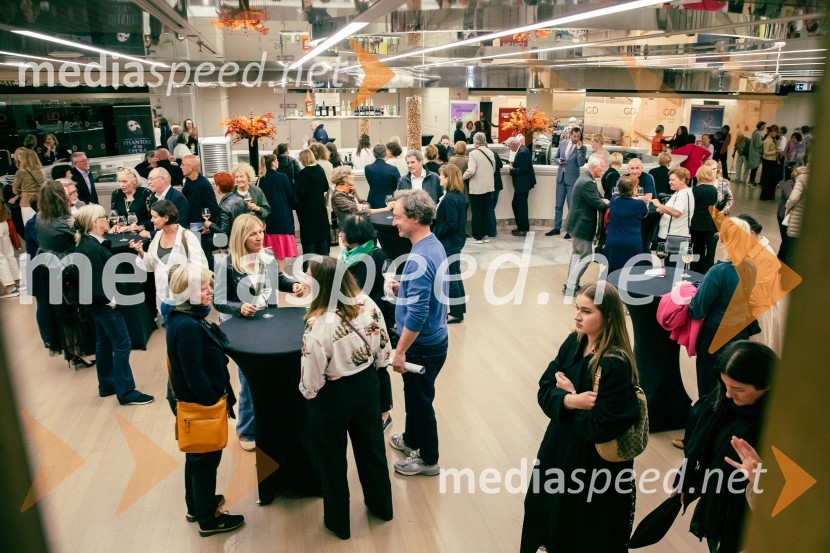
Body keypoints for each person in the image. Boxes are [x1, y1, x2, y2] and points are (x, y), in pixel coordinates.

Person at [521, 282, 642, 553]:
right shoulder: (574, 341)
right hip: (559, 452)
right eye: (577, 308)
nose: (577, 316)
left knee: (584, 531)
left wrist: (564, 402)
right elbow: (544, 388)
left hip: (594, 467)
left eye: (586, 311)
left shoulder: (615, 363)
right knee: (545, 514)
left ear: (608, 316)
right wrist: (571, 400)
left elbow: (601, 426)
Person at [299, 256, 393, 540]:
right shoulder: (368, 303)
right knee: (373, 451)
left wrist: (310, 392)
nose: (304, 278)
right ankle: (382, 507)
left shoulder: (316, 325)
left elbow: (311, 381)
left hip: (332, 398)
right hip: (367, 386)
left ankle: (339, 523)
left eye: (308, 275)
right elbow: (383, 349)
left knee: (332, 461)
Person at [163, 264, 245, 537]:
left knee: (196, 458)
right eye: (203, 287)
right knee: (205, 463)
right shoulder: (187, 325)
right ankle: (208, 520)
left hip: (191, 402)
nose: (210, 291)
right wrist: (212, 401)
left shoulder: (183, 316)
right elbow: (194, 374)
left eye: (209, 285)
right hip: (200, 405)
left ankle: (196, 506)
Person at [672, 340, 775, 553]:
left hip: (749, 520)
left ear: (767, 384)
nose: (728, 394)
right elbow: (701, 447)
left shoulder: (779, 425)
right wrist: (687, 479)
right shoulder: (720, 403)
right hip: (720, 504)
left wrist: (760, 477)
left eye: (738, 389)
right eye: (725, 384)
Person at [214, 214, 304, 451]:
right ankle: (247, 430)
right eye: (252, 234)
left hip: (267, 322)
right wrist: (239, 307)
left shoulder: (268, 256)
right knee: (249, 379)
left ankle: (272, 422)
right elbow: (219, 301)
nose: (259, 237)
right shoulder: (225, 263)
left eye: (261, 232)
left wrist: (293, 284)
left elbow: (280, 280)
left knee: (273, 374)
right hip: (242, 328)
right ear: (240, 236)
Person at [387, 190, 449, 476]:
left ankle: (428, 459)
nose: (393, 222)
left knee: (420, 403)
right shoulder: (432, 245)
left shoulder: (419, 258)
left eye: (398, 217)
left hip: (421, 346)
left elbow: (418, 314)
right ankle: (412, 440)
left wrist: (400, 351)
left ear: (414, 218)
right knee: (414, 396)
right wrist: (405, 287)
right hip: (434, 339)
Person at [73, 204, 154, 405]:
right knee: (122, 344)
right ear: (94, 223)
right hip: (104, 304)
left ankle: (107, 385)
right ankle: (126, 393)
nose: (107, 219)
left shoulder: (90, 243)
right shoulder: (91, 248)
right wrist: (111, 301)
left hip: (98, 304)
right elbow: (94, 281)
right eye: (103, 216)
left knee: (104, 342)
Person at [337, 214, 396, 429]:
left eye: (343, 231)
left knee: (379, 366)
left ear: (355, 234)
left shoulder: (375, 256)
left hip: (372, 321)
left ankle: (384, 413)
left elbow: (369, 292)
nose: (340, 234)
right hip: (353, 319)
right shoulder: (348, 254)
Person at [689, 217, 756, 397]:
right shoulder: (752, 267)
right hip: (740, 332)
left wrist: (693, 294)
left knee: (709, 387)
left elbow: (697, 310)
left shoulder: (718, 272)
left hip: (714, 335)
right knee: (731, 385)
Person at [131, 200, 208, 307]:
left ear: (166, 217)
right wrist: (140, 251)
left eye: (154, 217)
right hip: (162, 297)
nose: (151, 220)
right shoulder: (158, 236)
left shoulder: (187, 237)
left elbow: (201, 267)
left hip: (184, 298)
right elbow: (152, 265)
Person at [737, 213, 784, 356]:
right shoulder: (754, 248)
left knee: (755, 350)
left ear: (751, 232)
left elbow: (758, 292)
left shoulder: (764, 255)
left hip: (759, 312)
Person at [563, 154, 609, 295]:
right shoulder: (588, 182)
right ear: (594, 167)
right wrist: (610, 203)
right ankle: (571, 286)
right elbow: (599, 204)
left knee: (577, 255)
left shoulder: (586, 178)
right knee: (587, 256)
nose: (604, 169)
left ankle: (571, 285)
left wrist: (604, 200)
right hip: (581, 225)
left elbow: (598, 197)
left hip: (577, 223)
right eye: (602, 167)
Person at [435, 165, 467, 323]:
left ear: (448, 178)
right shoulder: (459, 196)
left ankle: (455, 313)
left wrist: (438, 234)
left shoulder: (449, 199)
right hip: (456, 241)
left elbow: (451, 223)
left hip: (449, 242)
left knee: (451, 278)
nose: (439, 178)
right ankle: (459, 310)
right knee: (455, 275)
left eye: (442, 175)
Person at [258, 154, 297, 271]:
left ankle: (271, 272)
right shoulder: (283, 177)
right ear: (273, 163)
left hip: (267, 217)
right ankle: (281, 272)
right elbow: (290, 196)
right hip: (283, 215)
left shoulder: (261, 179)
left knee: (268, 248)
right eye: (276, 160)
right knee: (281, 250)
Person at [652, 167, 695, 267]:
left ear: (682, 180)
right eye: (669, 179)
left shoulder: (682, 194)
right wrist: (663, 209)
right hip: (674, 236)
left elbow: (676, 212)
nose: (669, 182)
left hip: (675, 238)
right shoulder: (681, 192)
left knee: (673, 268)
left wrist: (659, 205)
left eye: (673, 180)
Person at [547, 127, 586, 237]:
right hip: (560, 178)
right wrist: (558, 161)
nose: (576, 138)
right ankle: (557, 228)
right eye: (574, 136)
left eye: (578, 136)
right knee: (558, 205)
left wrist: (579, 149)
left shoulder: (583, 148)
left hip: (572, 180)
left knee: (571, 206)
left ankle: (570, 230)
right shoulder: (562, 144)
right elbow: (555, 157)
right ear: (570, 135)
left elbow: (581, 163)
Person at [181, 155, 220, 265]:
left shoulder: (203, 184)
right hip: (191, 227)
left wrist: (209, 226)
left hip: (201, 230)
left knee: (205, 258)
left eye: (182, 164)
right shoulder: (188, 181)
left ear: (190, 168)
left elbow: (213, 207)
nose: (180, 167)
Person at [605, 176, 648, 272]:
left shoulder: (614, 199)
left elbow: (617, 195)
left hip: (613, 241)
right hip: (632, 242)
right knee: (632, 272)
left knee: (612, 272)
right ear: (633, 189)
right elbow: (644, 215)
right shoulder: (640, 204)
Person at [295, 148, 331, 255]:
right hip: (320, 207)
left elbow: (300, 194)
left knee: (309, 239)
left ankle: (309, 263)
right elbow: (326, 187)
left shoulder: (302, 174)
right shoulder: (320, 170)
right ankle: (323, 261)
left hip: (307, 210)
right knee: (322, 237)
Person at [463, 133, 496, 243]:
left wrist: (462, 176)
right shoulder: (490, 152)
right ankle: (484, 235)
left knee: (476, 212)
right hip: (489, 186)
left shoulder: (473, 153)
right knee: (485, 211)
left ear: (475, 142)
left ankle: (477, 236)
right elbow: (494, 169)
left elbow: (471, 170)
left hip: (477, 188)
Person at [690, 164, 719, 273]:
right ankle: (700, 269)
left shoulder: (695, 190)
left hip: (695, 221)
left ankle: (693, 268)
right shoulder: (714, 190)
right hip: (707, 222)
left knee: (693, 247)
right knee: (701, 247)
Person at [202, 172, 246, 245]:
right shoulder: (240, 200)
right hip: (241, 239)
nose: (214, 186)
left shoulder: (223, 207)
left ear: (218, 187)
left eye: (215, 184)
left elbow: (223, 231)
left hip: (230, 243)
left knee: (204, 243)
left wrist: (209, 225)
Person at [507, 136, 536, 236]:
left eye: (510, 147)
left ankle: (523, 228)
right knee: (518, 204)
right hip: (523, 184)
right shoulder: (523, 150)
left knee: (520, 206)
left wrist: (511, 170)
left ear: (514, 144)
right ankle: (521, 227)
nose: (511, 149)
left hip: (522, 184)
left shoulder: (522, 152)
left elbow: (523, 169)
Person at [111, 167, 153, 232]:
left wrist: (138, 227)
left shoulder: (145, 193)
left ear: (135, 181)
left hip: (141, 232)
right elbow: (113, 216)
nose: (121, 185)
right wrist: (115, 225)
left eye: (125, 181)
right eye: (119, 181)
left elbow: (153, 219)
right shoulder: (116, 194)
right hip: (121, 232)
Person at [12, 148, 45, 225]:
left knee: (29, 225)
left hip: (27, 203)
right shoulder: (41, 171)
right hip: (41, 201)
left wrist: (21, 191)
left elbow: (14, 190)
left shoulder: (21, 172)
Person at [364, 144, 401, 209]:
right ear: (386, 153)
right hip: (388, 200)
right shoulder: (392, 169)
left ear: (374, 154)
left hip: (373, 199)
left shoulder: (367, 168)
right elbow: (399, 185)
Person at [783, 165, 808, 262]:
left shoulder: (802, 178)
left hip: (797, 220)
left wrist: (787, 207)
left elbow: (793, 198)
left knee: (791, 252)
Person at [776, 167, 798, 262]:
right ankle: (780, 261)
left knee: (787, 241)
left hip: (791, 216)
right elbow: (790, 197)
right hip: (783, 215)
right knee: (786, 241)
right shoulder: (789, 184)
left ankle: (781, 260)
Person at [0, 201, 21, 298]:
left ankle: (10, 287)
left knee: (1, 258)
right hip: (4, 222)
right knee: (9, 255)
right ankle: (17, 282)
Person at [759, 124, 779, 201]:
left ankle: (770, 195)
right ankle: (765, 196)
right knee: (767, 180)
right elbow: (765, 152)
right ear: (770, 132)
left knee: (772, 180)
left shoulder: (772, 139)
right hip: (768, 162)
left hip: (772, 161)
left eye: (776, 131)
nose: (776, 133)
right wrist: (775, 151)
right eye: (774, 131)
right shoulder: (767, 141)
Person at [747, 121, 765, 186]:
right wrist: (764, 141)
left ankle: (751, 180)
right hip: (756, 152)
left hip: (754, 152)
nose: (764, 127)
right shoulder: (758, 133)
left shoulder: (755, 132)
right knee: (755, 168)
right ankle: (752, 181)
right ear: (760, 126)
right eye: (763, 126)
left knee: (754, 168)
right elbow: (758, 144)